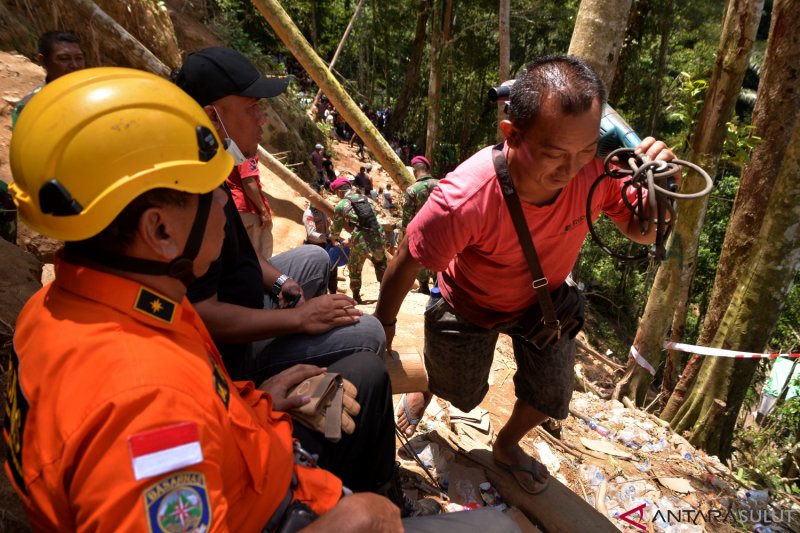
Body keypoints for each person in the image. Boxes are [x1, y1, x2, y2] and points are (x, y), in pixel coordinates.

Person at [3, 66, 401, 532]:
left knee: (366, 379)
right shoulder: (148, 406)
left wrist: (256, 401)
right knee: (375, 505)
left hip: (244, 457)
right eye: (209, 191)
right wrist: (355, 519)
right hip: (266, 506)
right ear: (160, 231)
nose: (221, 202)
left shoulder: (76, 304)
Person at [374, 55, 678, 495]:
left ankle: (507, 444)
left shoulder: (599, 171)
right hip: (468, 303)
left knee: (552, 394)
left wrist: (658, 186)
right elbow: (408, 258)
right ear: (511, 134)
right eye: (556, 155)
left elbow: (640, 230)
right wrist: (383, 324)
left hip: (544, 303)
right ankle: (431, 388)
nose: (573, 169)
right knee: (461, 392)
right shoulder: (465, 197)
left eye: (586, 150)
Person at [172, 47, 398, 498]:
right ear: (213, 118)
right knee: (368, 335)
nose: (262, 119)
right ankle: (362, 486)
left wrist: (279, 282)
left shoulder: (216, 172)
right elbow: (197, 312)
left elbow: (239, 254)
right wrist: (298, 319)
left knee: (312, 260)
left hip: (240, 303)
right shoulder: (188, 193)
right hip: (228, 351)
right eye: (252, 109)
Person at [330, 177, 387, 305]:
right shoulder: (366, 199)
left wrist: (334, 239)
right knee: (381, 262)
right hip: (378, 234)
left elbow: (336, 229)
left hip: (360, 240)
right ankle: (386, 293)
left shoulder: (342, 205)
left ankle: (356, 296)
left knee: (355, 266)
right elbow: (370, 219)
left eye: (336, 193)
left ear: (339, 191)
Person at [12, 30, 85, 128]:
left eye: (79, 58)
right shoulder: (30, 106)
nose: (75, 65)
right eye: (64, 58)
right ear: (43, 61)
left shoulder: (99, 94)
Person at [402, 155, 439, 295]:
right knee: (439, 254)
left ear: (414, 171)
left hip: (421, 231)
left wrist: (405, 234)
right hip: (442, 230)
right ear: (427, 169)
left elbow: (407, 218)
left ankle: (423, 286)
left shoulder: (412, 190)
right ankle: (438, 286)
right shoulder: (442, 184)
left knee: (420, 256)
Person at [228, 155, 274, 260]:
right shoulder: (245, 153)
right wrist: (263, 211)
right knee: (261, 254)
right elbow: (248, 182)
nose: (260, 138)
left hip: (234, 206)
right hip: (249, 208)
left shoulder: (229, 150)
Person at [303, 200, 342, 295]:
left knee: (332, 270)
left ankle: (333, 294)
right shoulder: (309, 214)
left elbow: (329, 226)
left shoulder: (323, 210)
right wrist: (327, 237)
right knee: (319, 272)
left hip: (327, 244)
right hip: (315, 246)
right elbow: (311, 234)